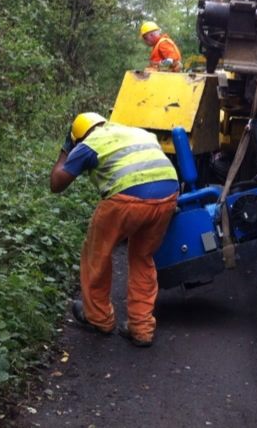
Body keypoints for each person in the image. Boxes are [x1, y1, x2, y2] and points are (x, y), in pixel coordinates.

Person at [50, 111, 179, 348]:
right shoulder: (136, 131)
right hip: (168, 194)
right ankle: (141, 328)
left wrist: (66, 149)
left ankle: (98, 318)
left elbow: (56, 184)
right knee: (142, 256)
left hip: (127, 198)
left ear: (77, 136)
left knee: (96, 254)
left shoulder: (88, 144)